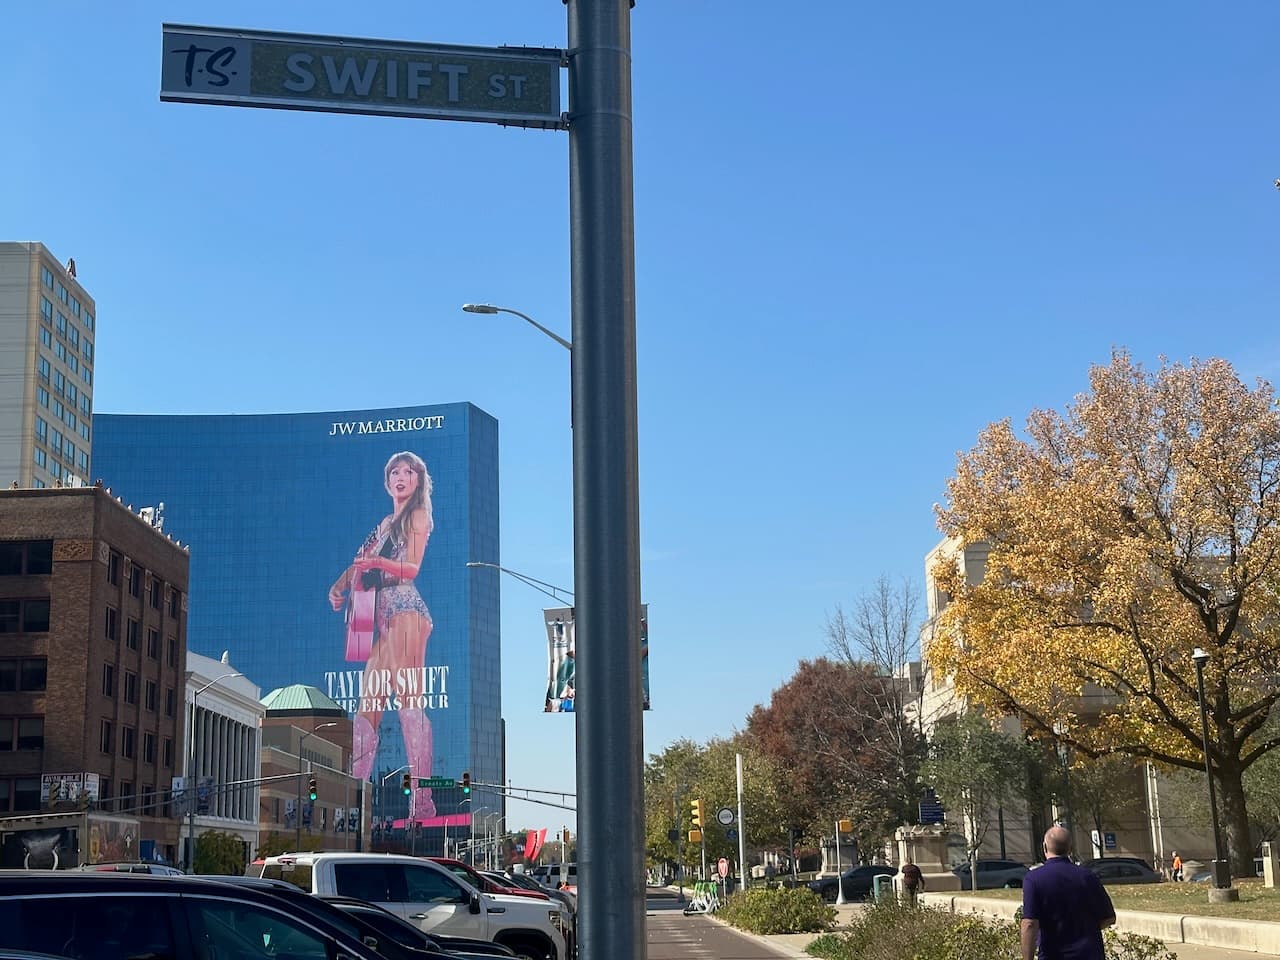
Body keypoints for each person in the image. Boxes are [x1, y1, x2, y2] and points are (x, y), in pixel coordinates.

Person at [329, 451, 436, 816]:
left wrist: (375, 563)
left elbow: (412, 567)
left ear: (418, 480)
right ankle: (354, 801)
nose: (401, 476)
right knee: (367, 707)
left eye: (409, 471)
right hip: (382, 620)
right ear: (387, 480)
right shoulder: (386, 522)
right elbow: (361, 560)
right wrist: (340, 584)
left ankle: (422, 799)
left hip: (406, 611)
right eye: (395, 471)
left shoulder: (417, 516)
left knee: (409, 701)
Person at [1021, 826, 1115, 960]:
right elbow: (1109, 918)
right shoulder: (1088, 877)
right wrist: (1085, 931)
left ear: (1044, 847)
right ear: (1070, 848)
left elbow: (1029, 924)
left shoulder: (1033, 879)